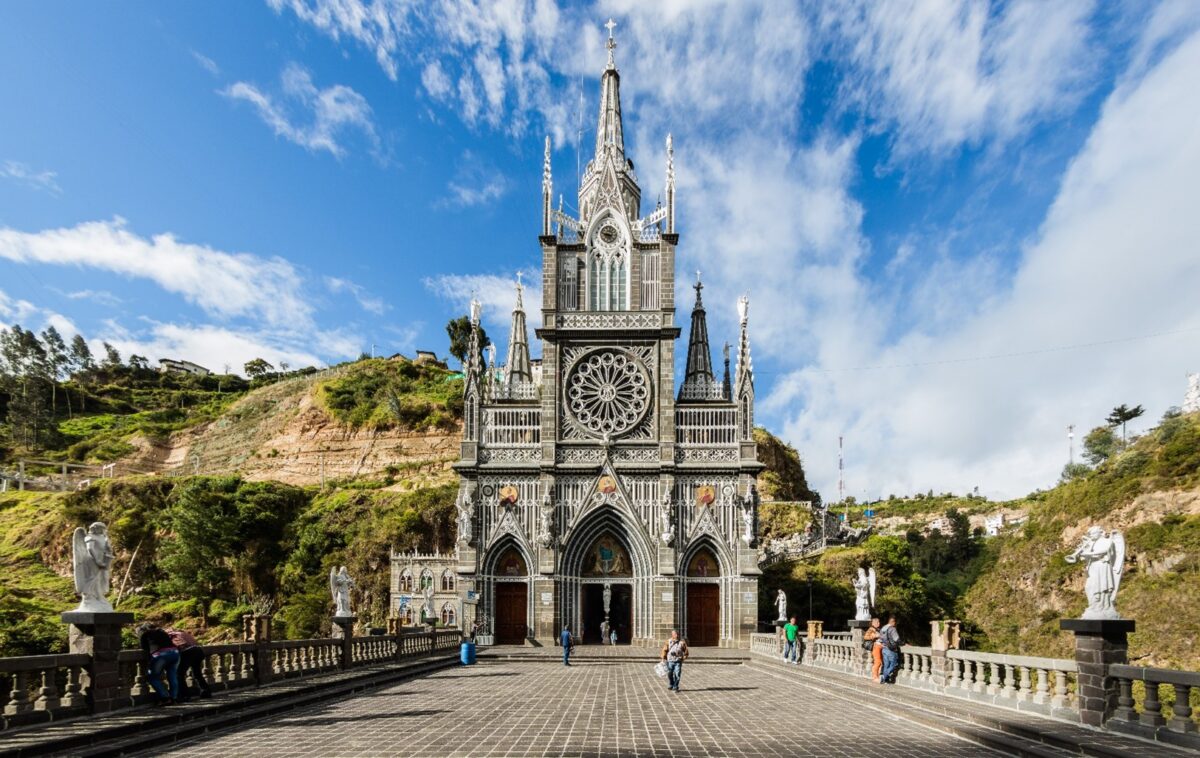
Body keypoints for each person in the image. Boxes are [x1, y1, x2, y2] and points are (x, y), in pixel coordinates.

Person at [164, 625, 212, 700]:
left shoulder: (171, 635)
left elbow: (178, 646)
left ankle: (184, 695)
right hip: (198, 651)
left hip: (187, 652)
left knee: (179, 674)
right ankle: (205, 691)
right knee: (197, 673)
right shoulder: (183, 633)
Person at [137, 623, 180, 705]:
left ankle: (165, 698)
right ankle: (174, 698)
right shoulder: (162, 632)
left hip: (161, 655)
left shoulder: (145, 634)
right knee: (172, 676)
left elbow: (144, 648)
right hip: (175, 653)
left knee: (152, 677)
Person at [880, 616, 902, 684]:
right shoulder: (892, 629)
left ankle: (885, 679)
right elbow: (896, 639)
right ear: (892, 622)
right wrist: (903, 643)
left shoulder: (883, 628)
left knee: (886, 665)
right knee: (894, 664)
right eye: (894, 622)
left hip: (884, 648)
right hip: (891, 649)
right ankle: (884, 676)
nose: (895, 624)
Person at [864, 617, 883, 683]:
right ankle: (875, 677)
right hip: (875, 647)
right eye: (877, 622)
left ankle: (877, 676)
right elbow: (865, 637)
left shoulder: (878, 629)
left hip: (880, 647)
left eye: (879, 622)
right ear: (873, 623)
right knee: (877, 662)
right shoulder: (871, 629)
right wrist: (874, 636)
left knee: (880, 662)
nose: (879, 623)